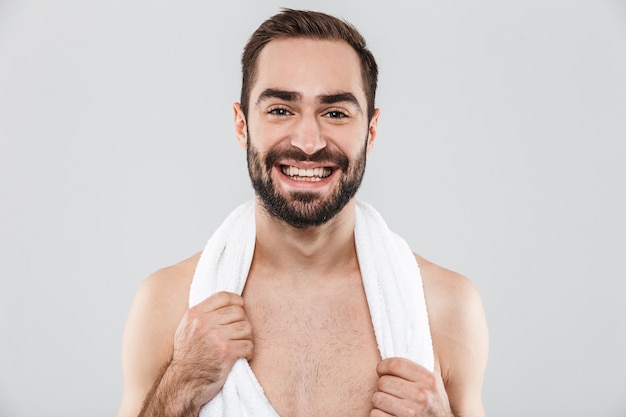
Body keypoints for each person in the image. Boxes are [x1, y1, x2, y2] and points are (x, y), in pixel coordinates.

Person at [116, 8, 488, 417]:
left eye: (335, 113)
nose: (309, 142)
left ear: (371, 130)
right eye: (280, 110)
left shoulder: (445, 307)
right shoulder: (169, 304)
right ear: (242, 125)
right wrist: (180, 385)